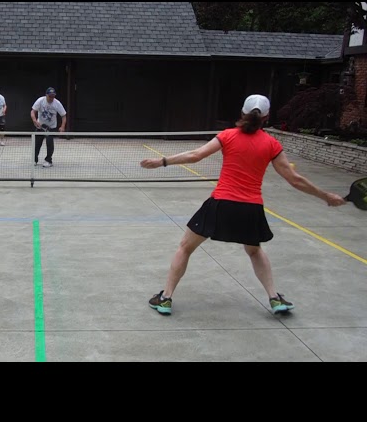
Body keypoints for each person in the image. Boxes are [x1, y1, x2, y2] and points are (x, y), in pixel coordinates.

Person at [140, 94, 346, 316]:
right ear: (266, 117)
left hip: (221, 204)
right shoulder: (271, 144)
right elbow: (294, 179)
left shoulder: (227, 136)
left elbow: (196, 155)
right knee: (255, 250)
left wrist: (162, 162)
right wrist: (325, 196)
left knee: (185, 247)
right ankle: (274, 298)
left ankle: (165, 298)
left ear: (242, 113)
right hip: (250, 209)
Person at [31, 87, 67, 167]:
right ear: (46, 95)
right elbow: (33, 111)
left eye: (53, 96)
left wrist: (62, 126)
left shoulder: (57, 103)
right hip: (40, 126)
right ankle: (34, 160)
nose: (51, 98)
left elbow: (63, 115)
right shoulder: (40, 101)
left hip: (51, 127)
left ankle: (48, 160)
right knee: (37, 144)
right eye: (50, 96)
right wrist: (34, 120)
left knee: (49, 143)